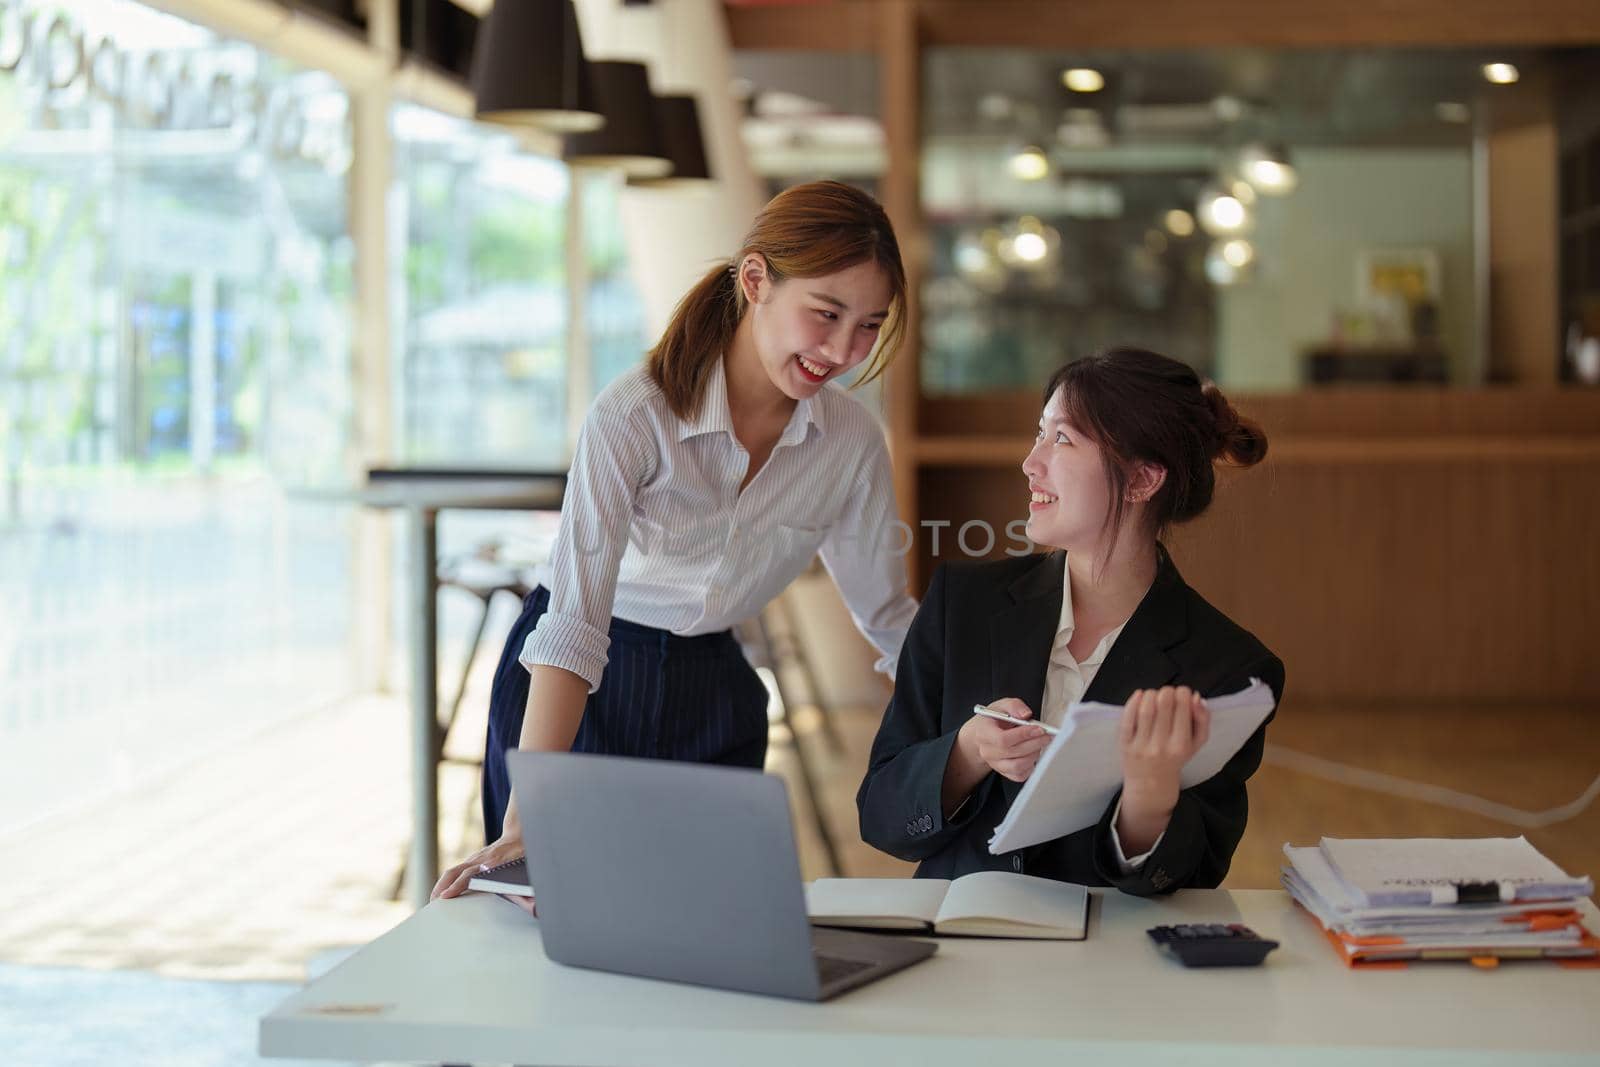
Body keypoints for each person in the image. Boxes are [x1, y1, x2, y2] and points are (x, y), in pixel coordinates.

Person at [433, 180, 918, 900]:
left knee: (706, 923)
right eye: (826, 314)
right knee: (561, 921)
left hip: (713, 686)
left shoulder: (848, 442)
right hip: (581, 685)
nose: (843, 350)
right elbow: (573, 621)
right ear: (756, 280)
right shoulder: (634, 417)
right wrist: (531, 809)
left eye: (869, 326)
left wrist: (979, 720)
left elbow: (887, 615)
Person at [857, 347, 1284, 894]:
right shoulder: (961, 604)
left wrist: (1150, 796)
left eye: (1061, 439)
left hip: (1112, 965)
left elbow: (1192, 875)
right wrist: (965, 754)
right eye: (1040, 434)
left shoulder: (1229, 667)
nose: (1030, 462)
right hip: (963, 950)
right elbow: (881, 818)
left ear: (1143, 478)